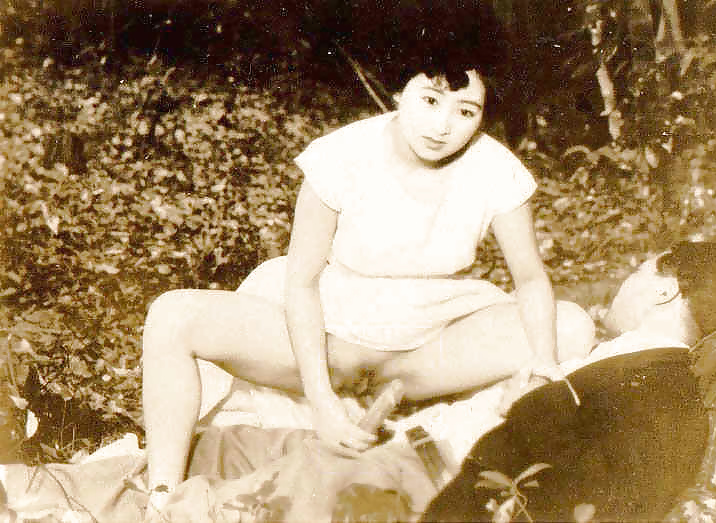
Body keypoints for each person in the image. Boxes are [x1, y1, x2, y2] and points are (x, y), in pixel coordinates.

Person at [140, 1, 593, 511]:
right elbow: (302, 282)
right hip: (334, 332)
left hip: (427, 344)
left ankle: (406, 403)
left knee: (571, 327)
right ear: (399, 90)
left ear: (483, 116)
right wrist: (321, 400)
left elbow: (530, 279)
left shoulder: (495, 168)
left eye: (466, 111)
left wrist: (542, 364)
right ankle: (162, 496)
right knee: (173, 315)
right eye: (430, 100)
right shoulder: (340, 156)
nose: (442, 125)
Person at [421, 240, 716, 522]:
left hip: (428, 484)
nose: (622, 284)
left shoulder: (660, 392)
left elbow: (597, 496)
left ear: (665, 291)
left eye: (638, 271)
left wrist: (523, 409)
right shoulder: (635, 367)